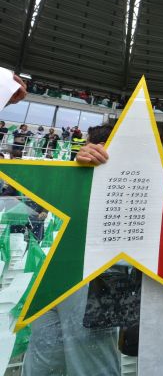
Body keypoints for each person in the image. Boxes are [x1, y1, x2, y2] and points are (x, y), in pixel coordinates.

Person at [77, 110, 163, 376]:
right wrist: (86, 163)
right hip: (153, 279)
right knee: (158, 360)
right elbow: (102, 190)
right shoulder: (143, 172)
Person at [24, 124, 120, 376]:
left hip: (99, 275)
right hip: (54, 272)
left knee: (93, 362)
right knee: (43, 359)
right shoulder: (73, 172)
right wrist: (79, 166)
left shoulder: (131, 179)